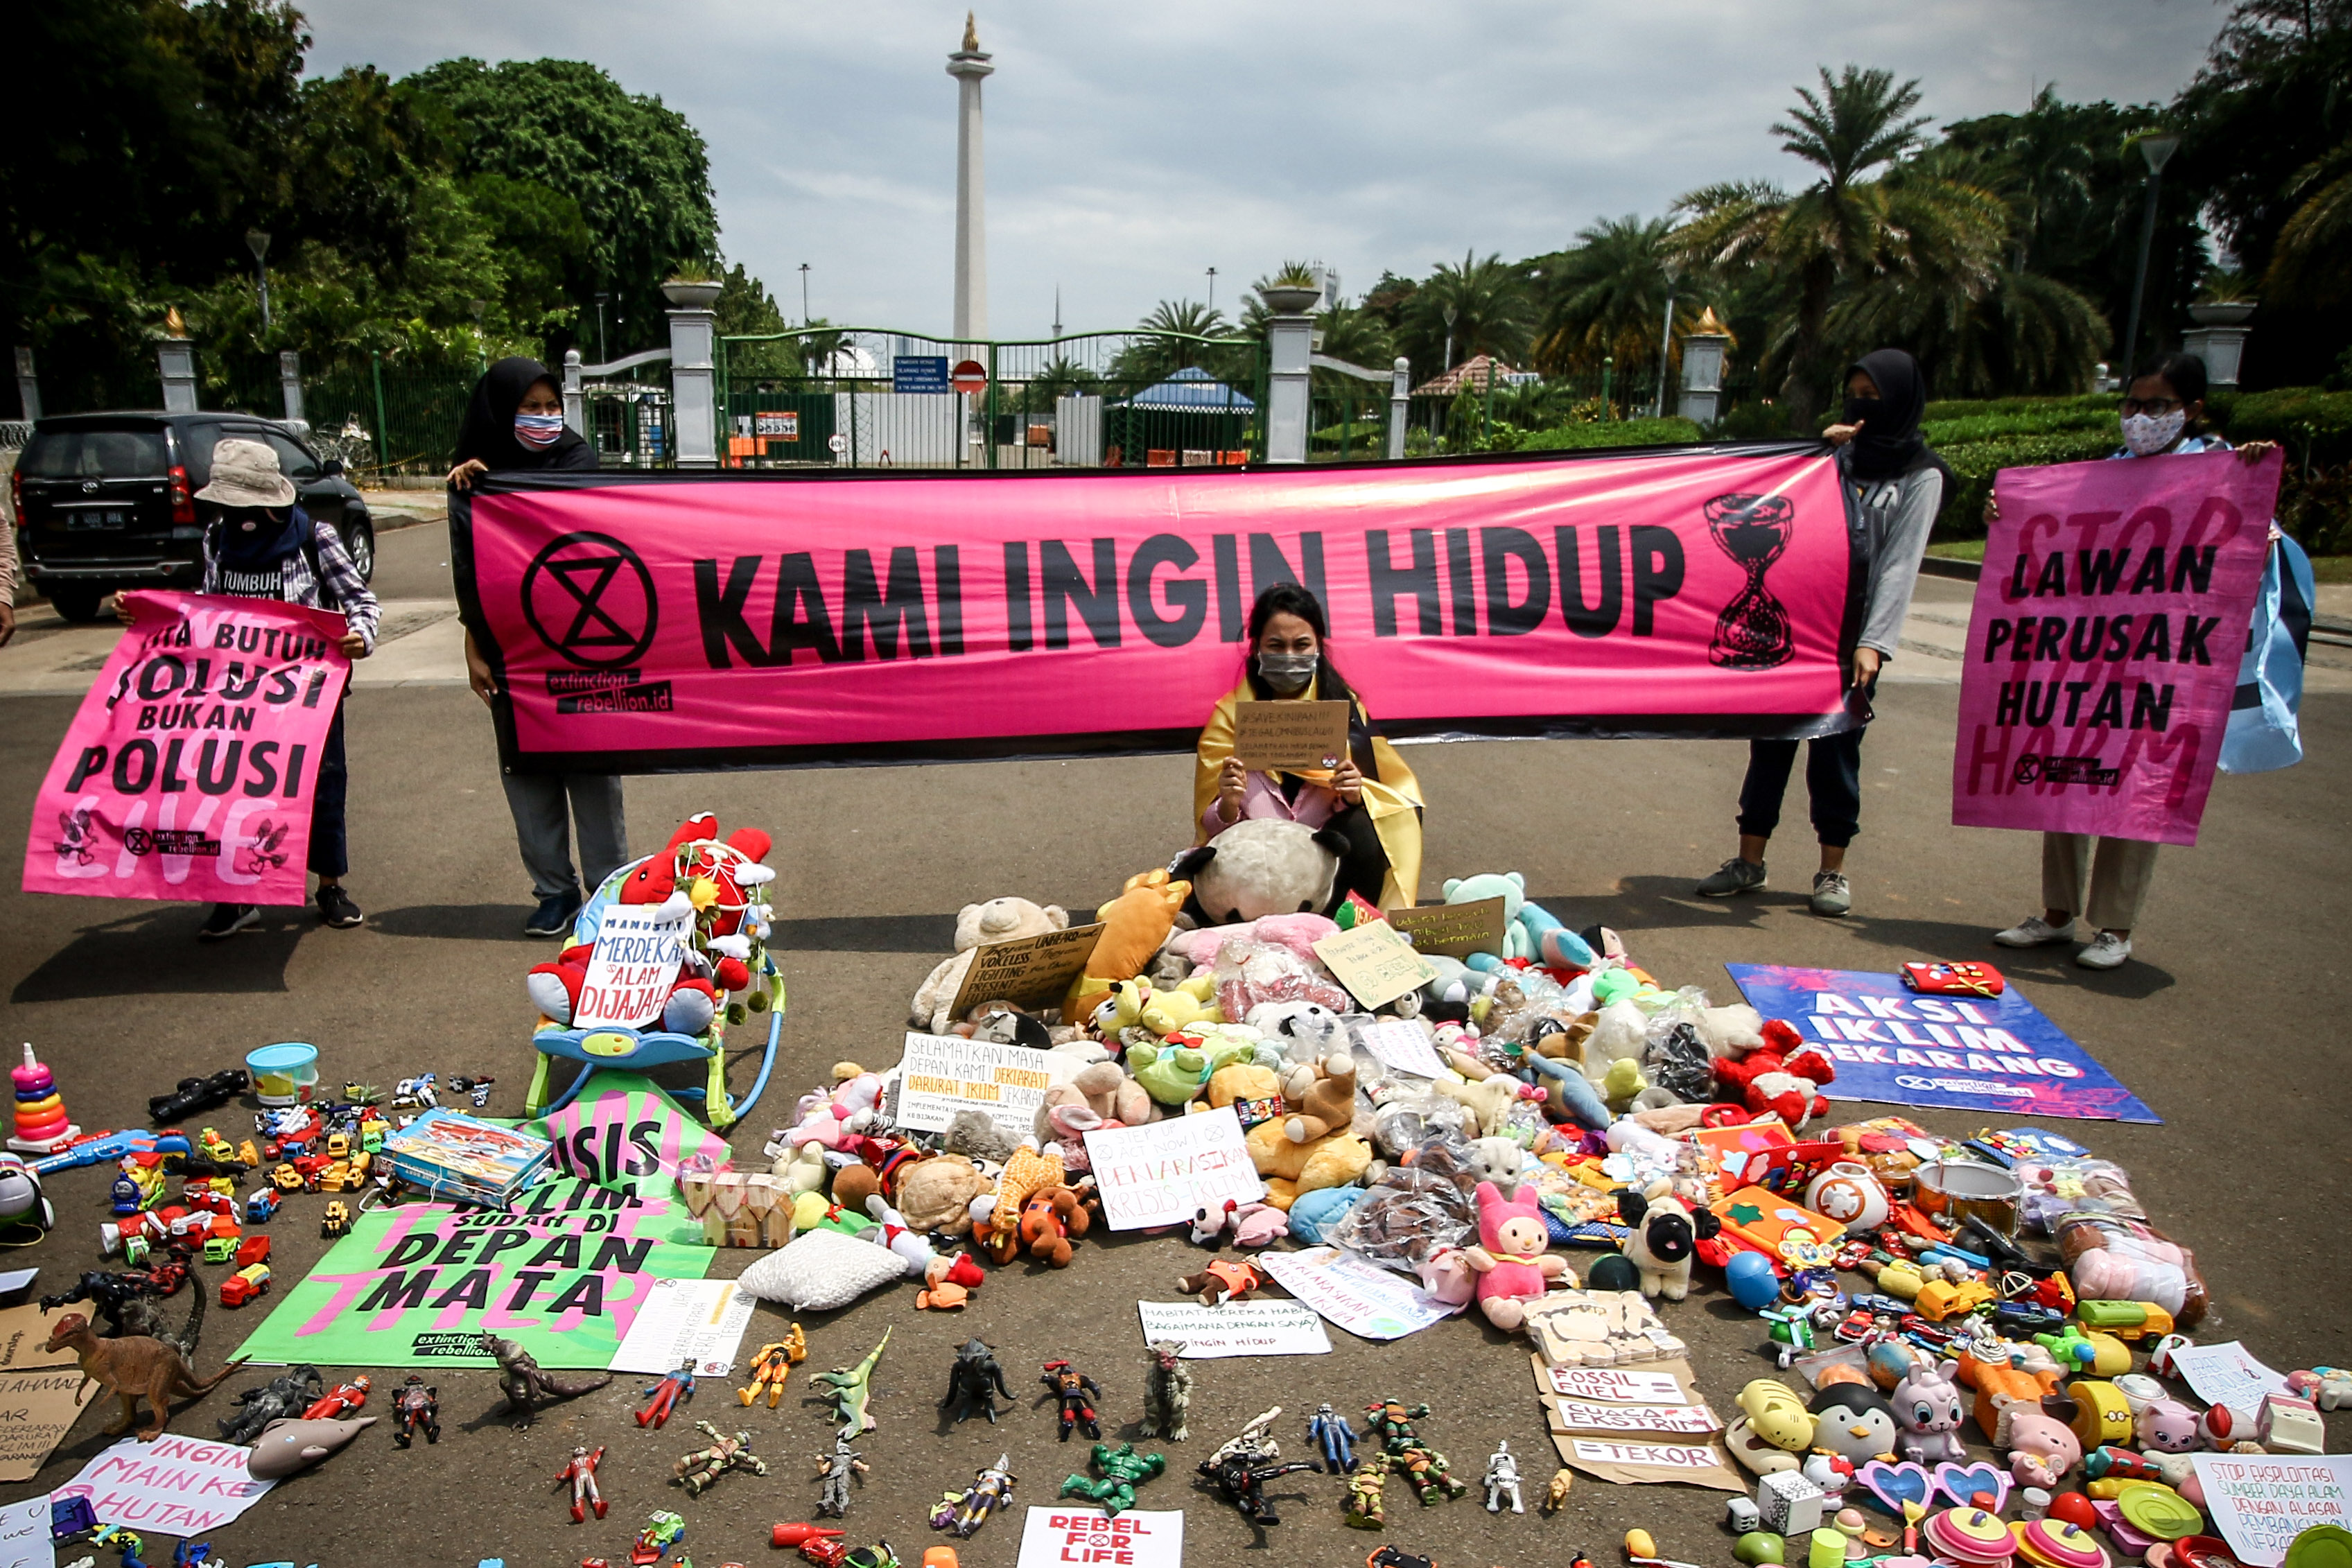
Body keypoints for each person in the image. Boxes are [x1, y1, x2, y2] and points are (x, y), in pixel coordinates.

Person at [1986, 352, 2286, 970]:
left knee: (2136, 790)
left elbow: (2252, 558)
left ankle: (2114, 926)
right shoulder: (2104, 478)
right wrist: (2006, 514)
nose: (2140, 418)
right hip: (2086, 661)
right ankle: (2056, 914)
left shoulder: (2221, 471)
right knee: (2065, 777)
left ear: (2192, 410)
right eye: (2132, 405)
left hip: (2161, 665)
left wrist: (2252, 485)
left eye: (2156, 406)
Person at [1696, 347, 1950, 917]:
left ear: (1901, 401)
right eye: (1854, 393)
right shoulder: (1836, 460)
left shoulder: (1920, 477)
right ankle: (1748, 861)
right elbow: (1781, 508)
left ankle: (1831, 870)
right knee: (1770, 745)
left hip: (1850, 639)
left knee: (1836, 753)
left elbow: (1899, 564)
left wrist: (1874, 642)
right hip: (1801, 627)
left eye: (1874, 396)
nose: (1862, 405)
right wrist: (1816, 451)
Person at [447, 356, 627, 938]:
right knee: (526, 773)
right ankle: (554, 892)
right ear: (502, 412)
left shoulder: (577, 461)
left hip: (582, 643)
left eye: (552, 407)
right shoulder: (474, 479)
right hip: (512, 648)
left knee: (593, 772)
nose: (545, 418)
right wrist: (473, 643)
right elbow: (472, 571)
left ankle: (606, 892)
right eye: (530, 409)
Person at [186, 437, 378, 938]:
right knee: (230, 791)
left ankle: (329, 885)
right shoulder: (216, 540)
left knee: (322, 786)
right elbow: (205, 611)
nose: (238, 514)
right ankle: (236, 896)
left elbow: (360, 601)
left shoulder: (315, 538)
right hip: (236, 699)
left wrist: (359, 635)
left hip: (309, 695)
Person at [1192, 583, 1424, 912]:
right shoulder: (1230, 719)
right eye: (1276, 645)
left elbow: (1387, 792)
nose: (1289, 657)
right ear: (1256, 647)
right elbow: (1212, 832)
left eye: (1302, 645)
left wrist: (1353, 794)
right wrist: (1227, 803)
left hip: (1322, 867)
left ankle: (1354, 930)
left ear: (1318, 647)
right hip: (1255, 870)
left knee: (1365, 825)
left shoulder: (1345, 711)